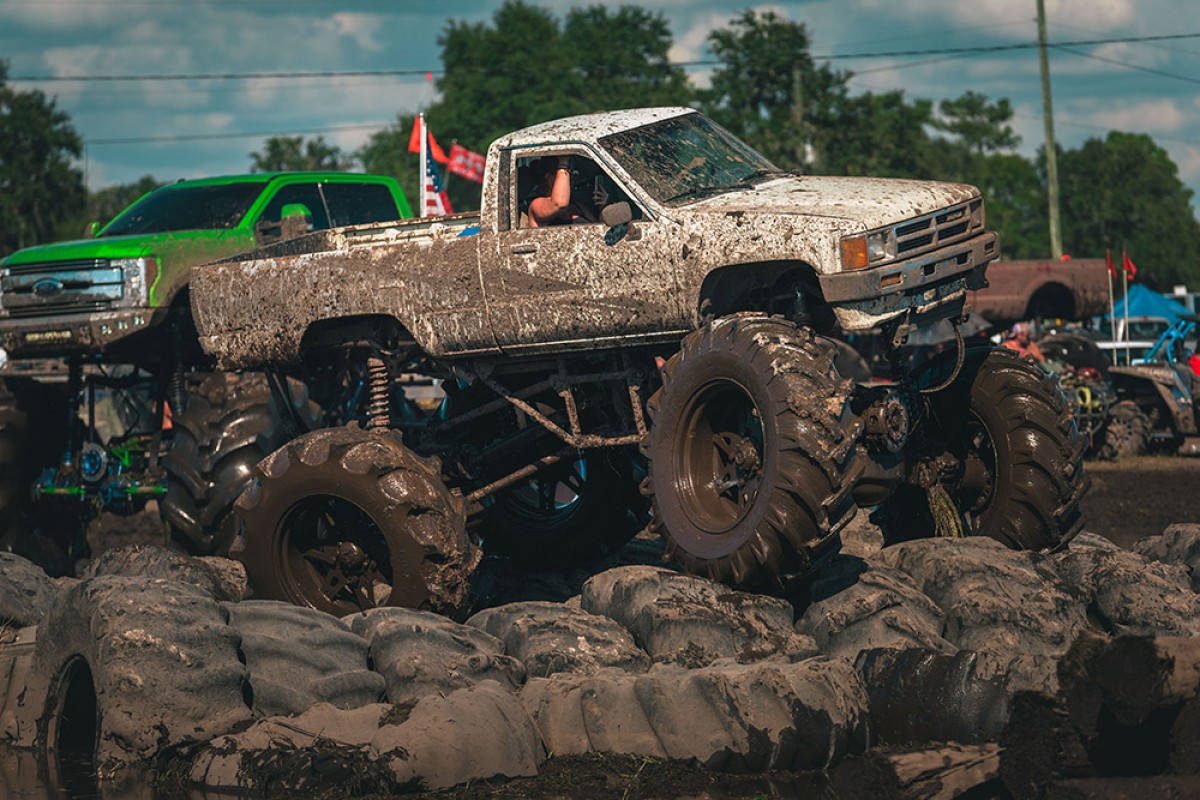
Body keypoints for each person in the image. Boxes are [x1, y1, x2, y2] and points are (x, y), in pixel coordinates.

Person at [525, 155, 608, 228]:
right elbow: (559, 204)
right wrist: (563, 163)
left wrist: (603, 206)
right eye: (567, 173)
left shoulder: (576, 204)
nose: (571, 178)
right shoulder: (536, 205)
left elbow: (599, 229)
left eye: (574, 174)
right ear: (549, 177)